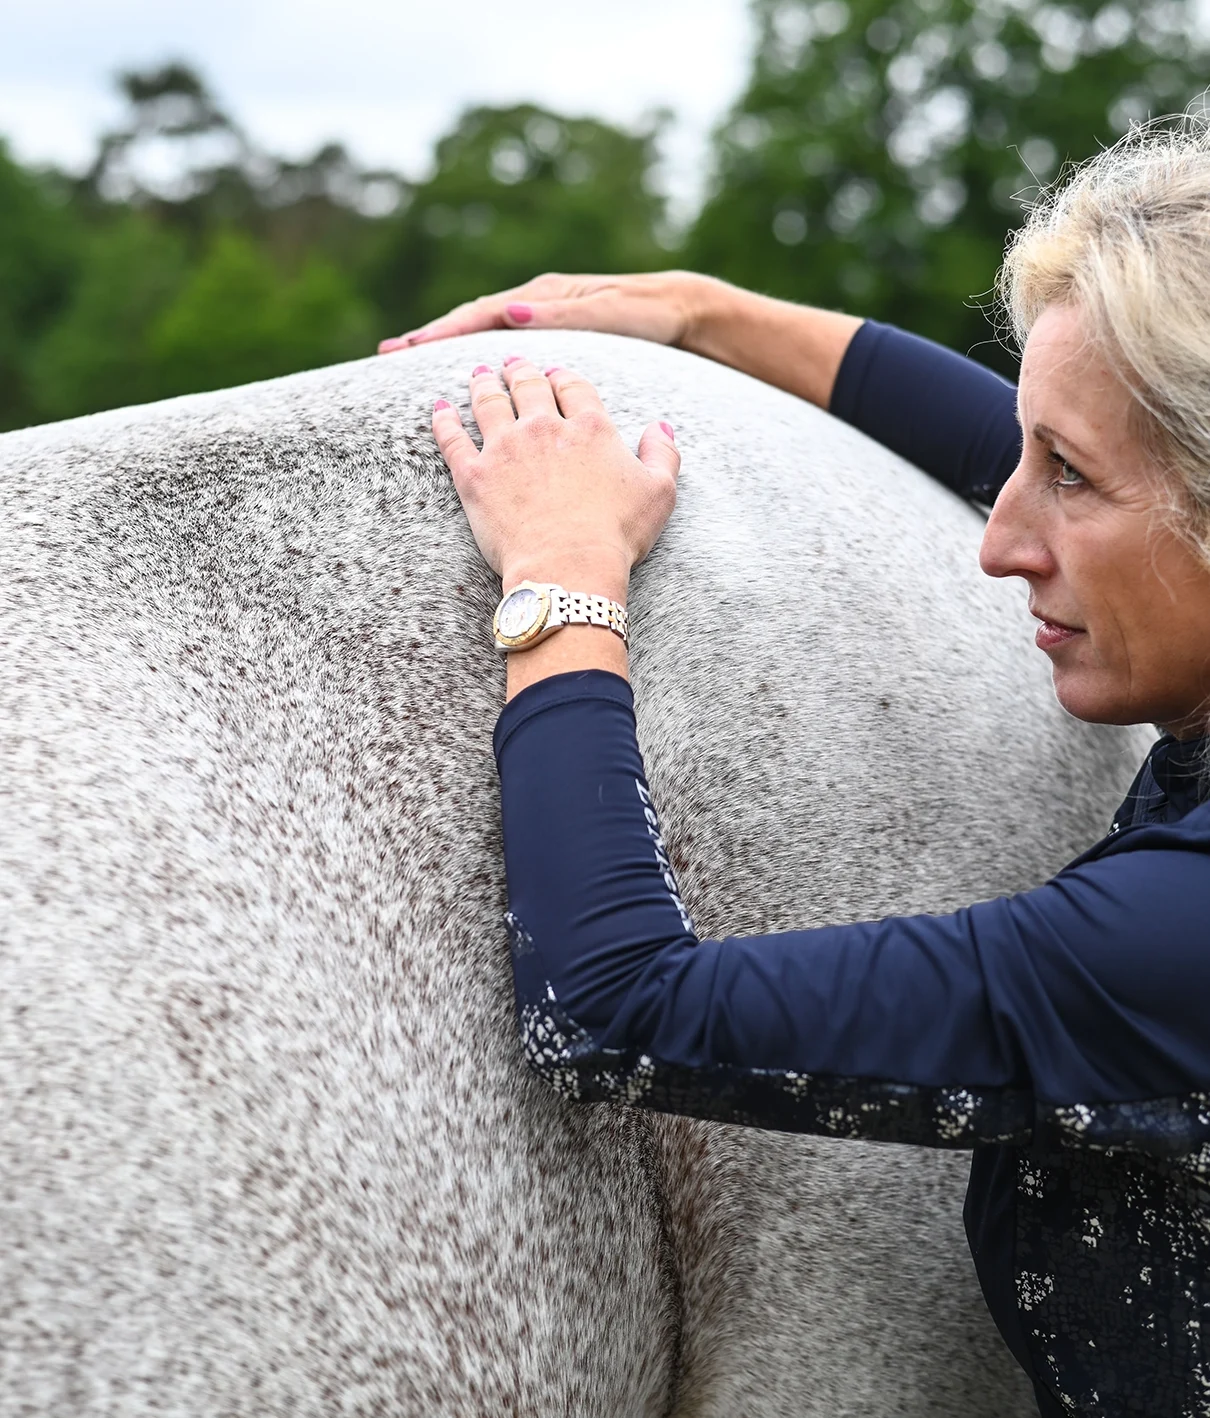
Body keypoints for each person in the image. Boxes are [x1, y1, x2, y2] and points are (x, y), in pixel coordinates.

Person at [379, 122, 1210, 1418]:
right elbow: (979, 424)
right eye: (1022, 452)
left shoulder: (1170, 937)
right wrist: (697, 313)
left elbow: (607, 1005)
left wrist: (562, 576)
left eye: (1064, 476)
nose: (998, 540)